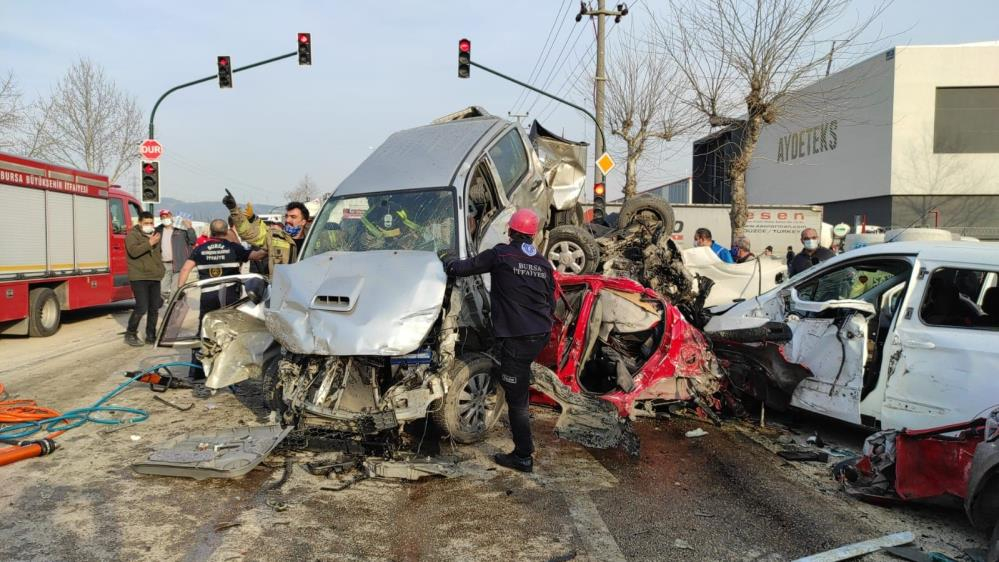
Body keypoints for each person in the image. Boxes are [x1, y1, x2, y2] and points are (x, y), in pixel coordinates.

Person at [443, 209, 555, 473]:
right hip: (539, 335)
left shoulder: (501, 254)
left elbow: (464, 268)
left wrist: (446, 261)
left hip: (518, 337)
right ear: (533, 234)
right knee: (516, 375)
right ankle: (512, 379)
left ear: (510, 231)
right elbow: (552, 301)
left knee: (517, 400)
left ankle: (523, 456)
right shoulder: (543, 264)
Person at [176, 219, 266, 380]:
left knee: (204, 330)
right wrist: (270, 245)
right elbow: (257, 255)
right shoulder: (234, 248)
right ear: (226, 232)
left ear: (210, 232)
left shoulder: (200, 249)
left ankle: (197, 371)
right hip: (229, 297)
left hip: (208, 297)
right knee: (229, 331)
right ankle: (225, 371)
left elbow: (185, 269)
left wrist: (180, 289)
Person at [223, 192, 300, 277]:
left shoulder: (314, 240)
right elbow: (248, 233)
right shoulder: (276, 237)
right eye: (286, 216)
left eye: (293, 217)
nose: (288, 220)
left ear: (304, 221)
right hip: (280, 287)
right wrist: (234, 210)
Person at [124, 212, 166, 347]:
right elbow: (133, 252)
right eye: (146, 223)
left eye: (151, 223)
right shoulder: (132, 236)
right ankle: (130, 333)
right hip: (139, 276)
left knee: (154, 308)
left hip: (154, 276)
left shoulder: (155, 235)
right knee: (142, 307)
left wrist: (161, 270)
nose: (149, 225)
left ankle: (151, 335)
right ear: (140, 223)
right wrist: (149, 243)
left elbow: (158, 255)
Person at [155, 209, 196, 300]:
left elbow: (193, 241)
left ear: (171, 217)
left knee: (175, 290)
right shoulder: (158, 230)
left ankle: (172, 307)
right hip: (164, 264)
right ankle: (178, 298)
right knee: (162, 290)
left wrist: (189, 228)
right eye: (162, 217)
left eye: (167, 216)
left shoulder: (181, 229)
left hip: (179, 263)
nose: (165, 218)